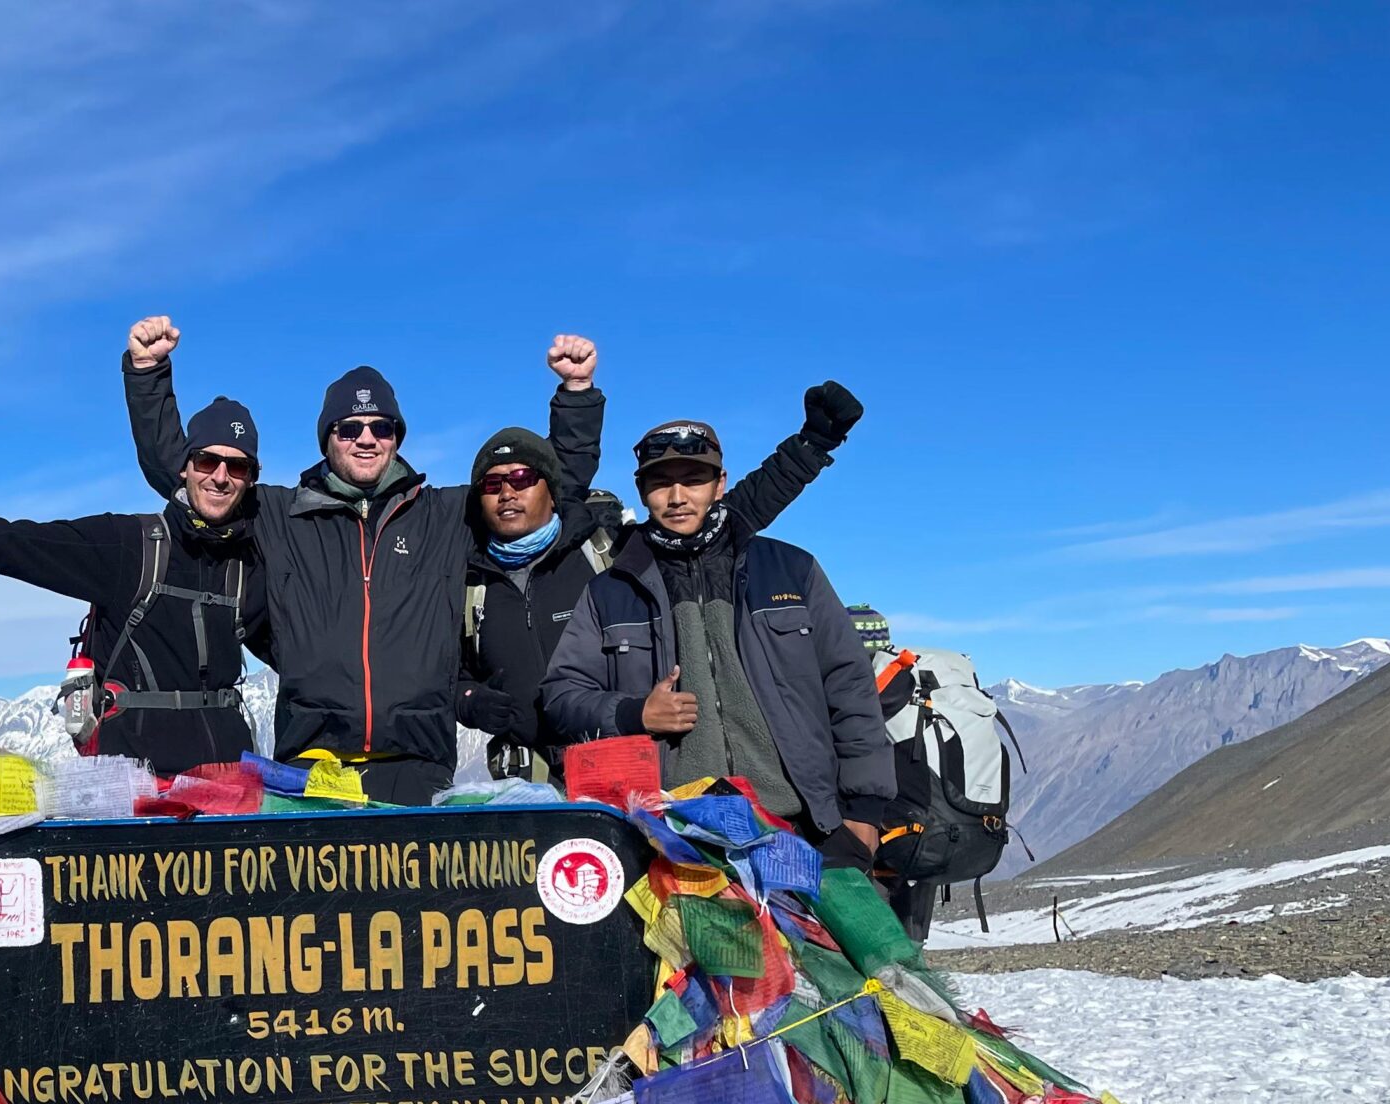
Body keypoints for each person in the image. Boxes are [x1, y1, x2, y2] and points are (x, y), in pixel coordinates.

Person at [124, 319, 595, 805]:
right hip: (310, 765)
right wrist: (148, 373)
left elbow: (546, 491)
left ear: (396, 437)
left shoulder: (445, 516)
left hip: (418, 766)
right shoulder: (280, 517)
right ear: (328, 438)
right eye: (350, 428)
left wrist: (575, 394)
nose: (365, 438)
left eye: (380, 427)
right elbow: (194, 486)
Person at [457, 351, 851, 782]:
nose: (508, 493)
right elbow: (442, 673)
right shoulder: (468, 580)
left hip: (618, 765)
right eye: (493, 484)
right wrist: (469, 699)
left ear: (550, 490)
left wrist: (810, 447)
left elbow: (727, 515)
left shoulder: (611, 551)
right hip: (525, 778)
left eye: (522, 480)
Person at [540, 393, 892, 867]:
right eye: (661, 483)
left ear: (719, 483)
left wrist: (863, 815)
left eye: (694, 480)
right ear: (642, 491)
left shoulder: (791, 570)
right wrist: (632, 712)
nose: (678, 496)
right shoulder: (610, 590)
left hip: (806, 830)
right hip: (673, 843)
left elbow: (850, 690)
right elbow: (561, 694)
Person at [0, 404, 266, 777]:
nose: (221, 477)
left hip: (229, 798)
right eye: (208, 461)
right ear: (185, 466)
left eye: (238, 467)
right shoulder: (128, 546)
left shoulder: (251, 565)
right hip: (135, 796)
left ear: (250, 480)